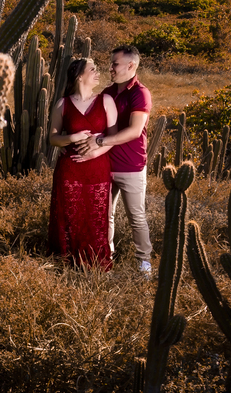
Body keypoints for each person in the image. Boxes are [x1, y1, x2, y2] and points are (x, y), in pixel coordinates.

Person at [77, 45, 154, 275]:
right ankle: (105, 259)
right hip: (105, 164)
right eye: (111, 63)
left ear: (131, 66)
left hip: (131, 166)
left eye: (115, 64)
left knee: (136, 217)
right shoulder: (108, 93)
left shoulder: (140, 93)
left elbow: (134, 130)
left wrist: (100, 142)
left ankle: (144, 263)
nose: (110, 68)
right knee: (105, 215)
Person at [47, 58, 118, 271]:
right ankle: (67, 263)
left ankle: (95, 264)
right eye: (92, 69)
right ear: (79, 76)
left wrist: (95, 152)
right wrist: (73, 137)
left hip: (98, 168)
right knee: (69, 215)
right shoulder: (63, 104)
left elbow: (113, 138)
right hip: (69, 169)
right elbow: (53, 139)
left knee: (95, 217)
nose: (98, 73)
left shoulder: (105, 101)